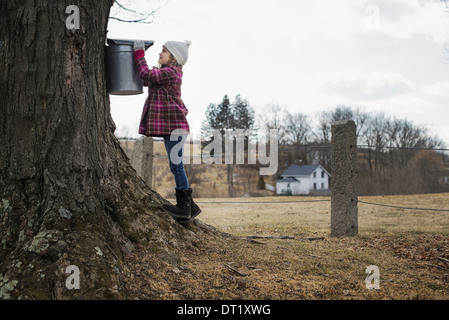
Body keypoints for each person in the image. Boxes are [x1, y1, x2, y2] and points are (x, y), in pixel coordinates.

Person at [133, 40, 201, 223]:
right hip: (171, 128)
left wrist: (139, 53)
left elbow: (146, 73)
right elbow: (146, 78)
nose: (160, 53)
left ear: (174, 58)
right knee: (175, 166)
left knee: (176, 166)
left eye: (164, 51)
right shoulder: (165, 73)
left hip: (176, 128)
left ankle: (183, 208)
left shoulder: (172, 73)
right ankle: (190, 207)